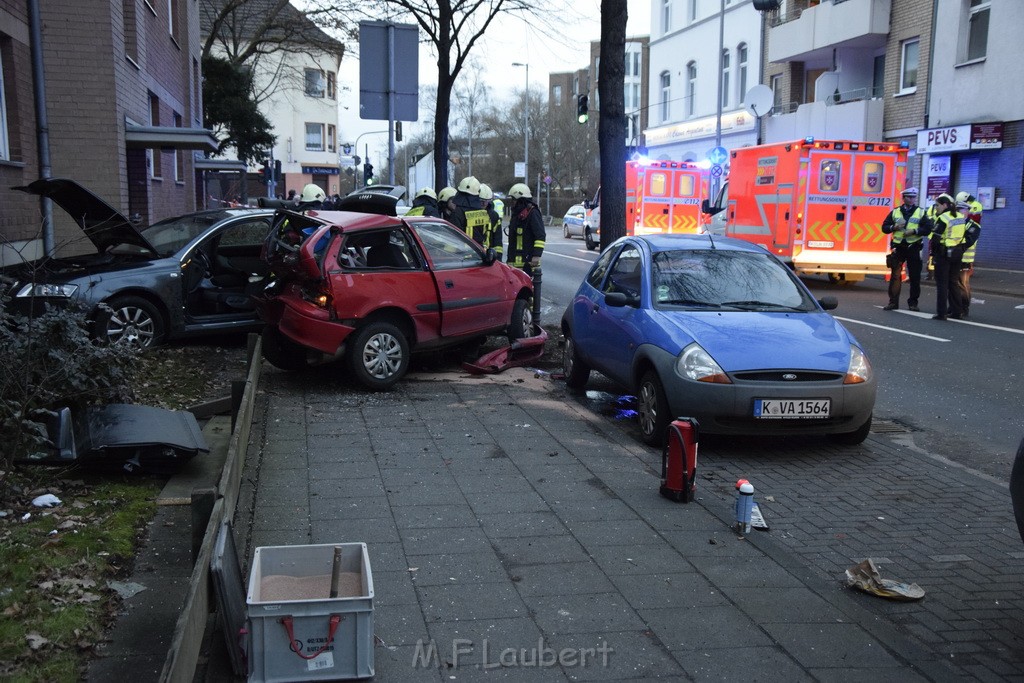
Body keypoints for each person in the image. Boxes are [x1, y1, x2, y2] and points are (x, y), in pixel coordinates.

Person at [881, 187, 929, 311]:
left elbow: (928, 228)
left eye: (913, 197)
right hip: (898, 247)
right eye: (909, 197)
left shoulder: (921, 212)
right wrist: (894, 227)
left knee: (915, 277)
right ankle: (893, 302)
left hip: (913, 247)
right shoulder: (896, 212)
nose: (912, 199)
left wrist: (915, 231)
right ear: (903, 198)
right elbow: (884, 227)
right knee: (895, 276)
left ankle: (913, 303)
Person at [928, 193, 967, 320]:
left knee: (942, 284)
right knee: (953, 282)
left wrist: (933, 253)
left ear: (945, 205)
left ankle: (941, 313)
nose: (936, 208)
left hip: (944, 254)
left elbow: (935, 238)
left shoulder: (943, 218)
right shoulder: (961, 216)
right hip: (957, 253)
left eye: (937, 205)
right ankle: (957, 311)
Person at [506, 183, 545, 276]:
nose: (512, 202)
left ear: (521, 200)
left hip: (528, 263)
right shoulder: (517, 214)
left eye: (514, 200)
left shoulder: (533, 213)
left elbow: (540, 235)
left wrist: (536, 255)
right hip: (514, 262)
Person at [956, 200, 982, 318]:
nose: (957, 212)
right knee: (953, 284)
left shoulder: (973, 226)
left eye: (960, 210)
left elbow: (969, 241)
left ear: (966, 211)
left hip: (965, 259)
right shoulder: (955, 223)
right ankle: (954, 306)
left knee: (963, 284)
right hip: (954, 258)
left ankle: (964, 307)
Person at [448, 176, 490, 245]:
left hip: (461, 253)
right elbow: (485, 236)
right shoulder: (483, 213)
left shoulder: (457, 212)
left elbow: (452, 238)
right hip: (478, 252)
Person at [478, 183, 503, 257]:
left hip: (489, 255)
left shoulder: (494, 215)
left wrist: (498, 258)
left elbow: (498, 239)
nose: (484, 203)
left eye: (487, 200)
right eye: (481, 200)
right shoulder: (472, 214)